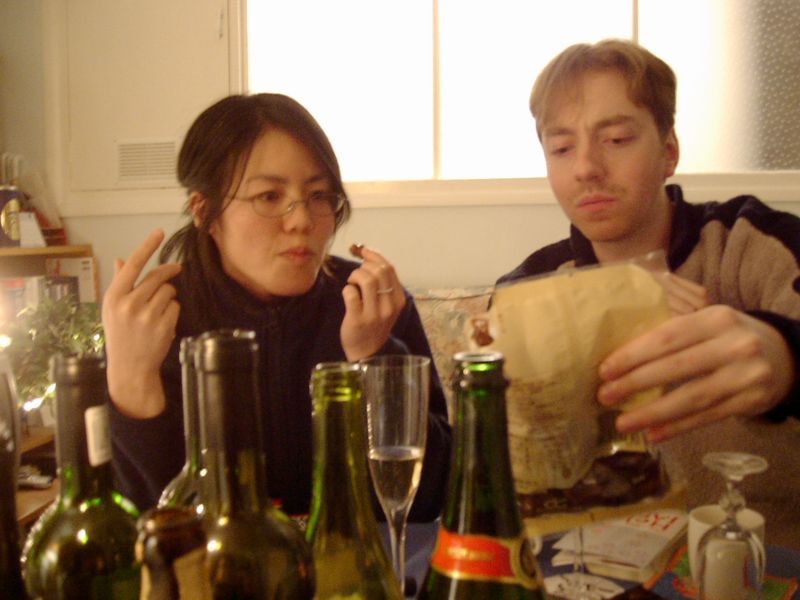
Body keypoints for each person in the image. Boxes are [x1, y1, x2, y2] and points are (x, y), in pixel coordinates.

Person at [497, 39, 800, 547]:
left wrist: (787, 358)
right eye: (562, 148)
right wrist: (607, 300)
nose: (586, 167)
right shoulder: (527, 290)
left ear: (668, 151)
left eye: (616, 139)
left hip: (767, 562)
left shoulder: (751, 243)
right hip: (589, 566)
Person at [102, 93, 451, 520]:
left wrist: (376, 360)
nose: (302, 220)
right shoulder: (157, 321)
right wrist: (131, 380)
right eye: (269, 196)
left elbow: (430, 499)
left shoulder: (371, 305)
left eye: (319, 195)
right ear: (204, 210)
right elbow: (141, 523)